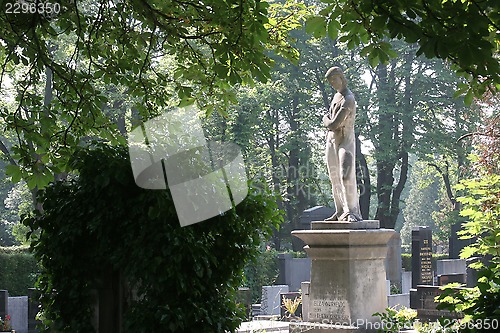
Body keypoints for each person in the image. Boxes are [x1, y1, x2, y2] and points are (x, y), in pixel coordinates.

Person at [322, 67, 362, 222]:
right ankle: (340, 211)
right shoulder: (336, 96)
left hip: (345, 140)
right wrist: (328, 120)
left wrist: (325, 119)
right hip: (331, 141)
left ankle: (353, 211)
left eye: (334, 80)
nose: (332, 84)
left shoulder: (349, 99)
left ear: (341, 78)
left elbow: (333, 123)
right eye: (330, 81)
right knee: (334, 177)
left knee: (346, 175)